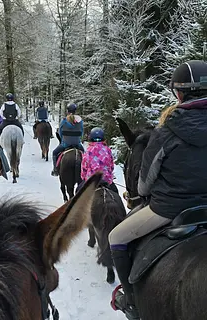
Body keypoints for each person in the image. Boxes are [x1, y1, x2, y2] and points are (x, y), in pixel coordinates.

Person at [108, 60, 207, 319]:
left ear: (178, 93)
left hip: (169, 208)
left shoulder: (165, 131)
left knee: (116, 238)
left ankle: (130, 300)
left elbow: (144, 183)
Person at [77, 127, 118, 193]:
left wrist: (83, 177)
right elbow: (111, 166)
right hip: (106, 180)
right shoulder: (108, 150)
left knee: (78, 191)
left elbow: (84, 167)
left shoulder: (88, 150)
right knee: (116, 192)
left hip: (91, 180)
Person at [51, 103, 84, 176]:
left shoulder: (64, 121)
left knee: (54, 153)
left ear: (68, 111)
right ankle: (86, 169)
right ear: (75, 111)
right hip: (77, 144)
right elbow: (82, 133)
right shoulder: (80, 121)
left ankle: (55, 170)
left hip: (65, 144)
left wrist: (64, 140)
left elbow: (60, 132)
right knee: (84, 154)